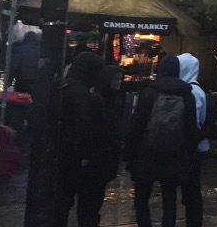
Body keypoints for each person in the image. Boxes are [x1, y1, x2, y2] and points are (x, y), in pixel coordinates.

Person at [124, 54, 197, 227]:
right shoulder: (187, 94)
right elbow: (191, 129)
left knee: (142, 197)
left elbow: (137, 125)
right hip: (175, 153)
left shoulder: (149, 92)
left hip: (147, 153)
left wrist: (129, 154)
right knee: (169, 199)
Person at [56, 51, 105, 227]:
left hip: (61, 153)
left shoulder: (66, 86)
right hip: (72, 157)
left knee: (61, 202)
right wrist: (85, 154)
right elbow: (82, 126)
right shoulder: (80, 93)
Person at [80, 65, 125, 227]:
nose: (119, 82)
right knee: (91, 199)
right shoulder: (99, 102)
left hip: (104, 158)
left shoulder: (114, 101)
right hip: (98, 158)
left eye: (120, 79)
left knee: (95, 198)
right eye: (116, 79)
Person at [177, 54, 207, 227]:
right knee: (191, 188)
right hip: (197, 145)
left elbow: (194, 121)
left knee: (192, 189)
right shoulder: (196, 89)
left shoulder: (192, 91)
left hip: (192, 147)